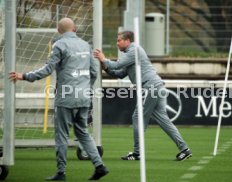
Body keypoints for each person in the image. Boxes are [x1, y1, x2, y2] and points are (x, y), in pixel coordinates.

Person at [9, 17, 109, 181]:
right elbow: (94, 72)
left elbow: (47, 69)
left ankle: (61, 172)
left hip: (66, 97)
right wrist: (86, 88)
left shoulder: (59, 45)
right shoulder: (85, 45)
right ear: (75, 29)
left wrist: (24, 76)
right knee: (83, 132)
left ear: (58, 30)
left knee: (61, 135)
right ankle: (100, 166)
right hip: (83, 96)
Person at [93, 31, 192, 161]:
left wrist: (103, 58)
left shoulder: (133, 50)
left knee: (137, 117)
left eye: (119, 40)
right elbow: (119, 73)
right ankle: (184, 149)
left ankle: (138, 153)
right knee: (163, 120)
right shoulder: (130, 54)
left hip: (150, 87)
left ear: (127, 41)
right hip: (156, 86)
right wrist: (105, 66)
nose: (116, 43)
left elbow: (116, 65)